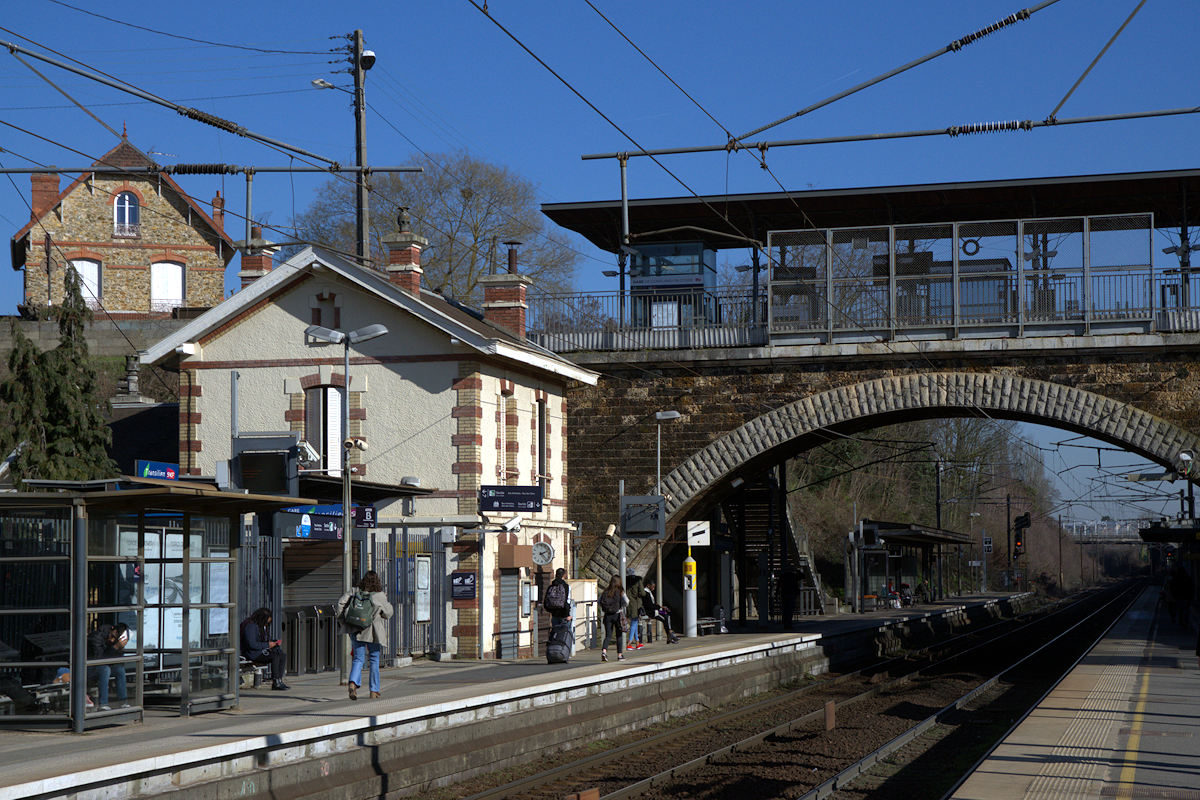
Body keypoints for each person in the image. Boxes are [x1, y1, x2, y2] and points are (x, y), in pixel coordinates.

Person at [335, 570, 394, 700]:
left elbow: (340, 604)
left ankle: (353, 683)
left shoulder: (354, 591)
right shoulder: (379, 595)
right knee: (374, 659)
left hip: (356, 629)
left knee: (358, 658)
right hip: (373, 632)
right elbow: (389, 613)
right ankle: (374, 690)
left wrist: (343, 621)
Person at [240, 607, 288, 690]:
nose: (267, 624)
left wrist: (273, 643)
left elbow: (262, 640)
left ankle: (279, 680)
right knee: (275, 656)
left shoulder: (259, 626)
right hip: (252, 653)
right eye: (266, 622)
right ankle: (275, 681)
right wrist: (267, 645)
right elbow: (252, 644)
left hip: (260, 651)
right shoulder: (250, 626)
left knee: (282, 655)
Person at [87, 621, 129, 710]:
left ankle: (123, 701)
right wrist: (115, 647)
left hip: (102, 665)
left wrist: (119, 649)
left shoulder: (114, 641)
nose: (112, 640)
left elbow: (118, 661)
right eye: (112, 636)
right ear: (112, 629)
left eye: (115, 639)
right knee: (105, 669)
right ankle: (103, 703)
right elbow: (98, 658)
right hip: (89, 666)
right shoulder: (96, 637)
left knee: (119, 670)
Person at [598, 574, 626, 662]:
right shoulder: (620, 591)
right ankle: (620, 655)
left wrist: (608, 609)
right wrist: (621, 606)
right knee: (619, 635)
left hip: (607, 616)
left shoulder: (606, 591)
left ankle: (604, 651)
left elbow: (599, 602)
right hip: (617, 615)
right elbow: (627, 602)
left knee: (608, 635)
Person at [625, 573, 643, 649]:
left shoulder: (625, 581)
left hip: (628, 604)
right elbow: (642, 593)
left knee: (634, 622)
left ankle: (637, 642)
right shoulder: (638, 580)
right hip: (635, 604)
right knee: (634, 623)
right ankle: (629, 643)